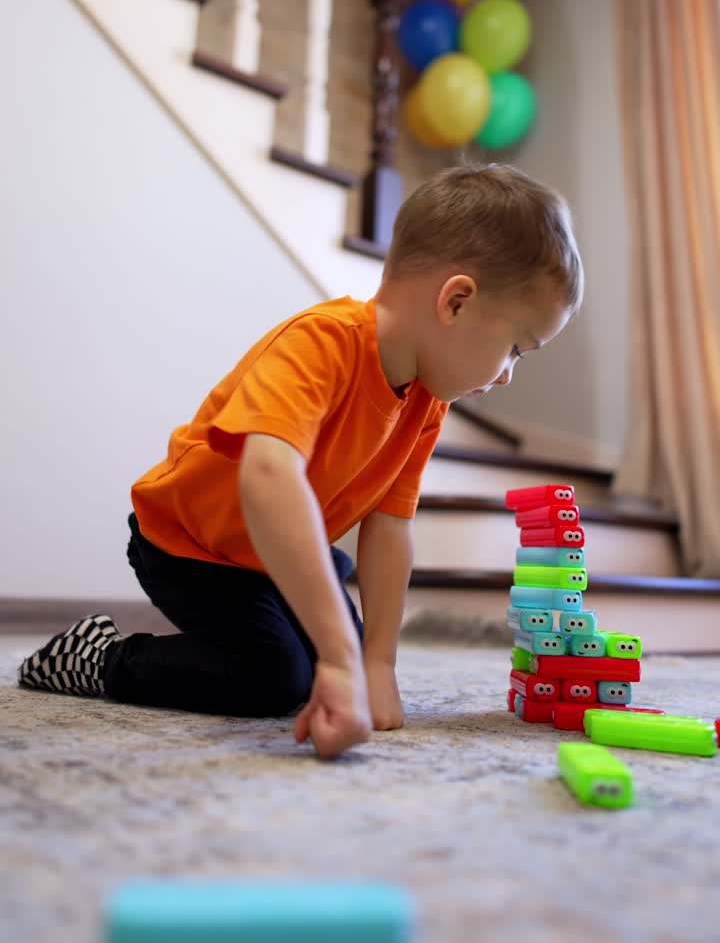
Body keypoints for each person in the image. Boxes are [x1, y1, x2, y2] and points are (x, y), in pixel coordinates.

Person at [18, 163, 583, 759]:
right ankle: (99, 656)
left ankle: (320, 620)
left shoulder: (428, 400)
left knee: (337, 656)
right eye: (516, 349)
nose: (506, 375)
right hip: (189, 548)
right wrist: (340, 657)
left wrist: (376, 662)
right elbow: (267, 474)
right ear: (457, 301)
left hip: (271, 557)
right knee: (273, 677)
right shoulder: (323, 342)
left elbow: (390, 526)